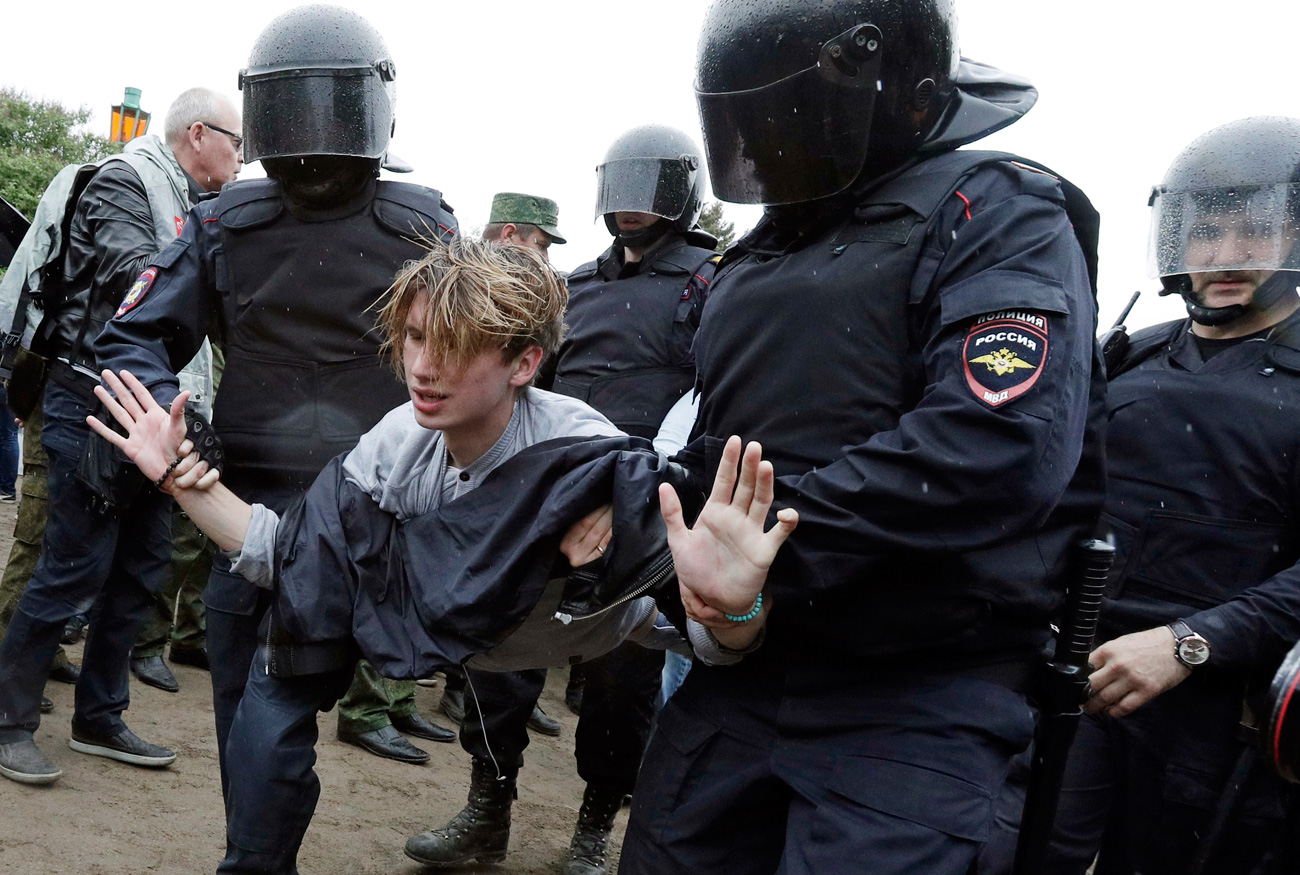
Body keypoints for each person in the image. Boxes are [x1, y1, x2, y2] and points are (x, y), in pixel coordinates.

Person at [90, 237, 796, 874]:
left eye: (456, 345)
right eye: (417, 338)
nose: (423, 368)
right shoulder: (399, 444)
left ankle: (594, 820)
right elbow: (290, 557)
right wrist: (179, 474)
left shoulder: (589, 455)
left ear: (525, 362)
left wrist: (742, 603)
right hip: (464, 630)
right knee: (276, 678)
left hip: (592, 626)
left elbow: (716, 637)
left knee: (647, 706)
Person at [616, 2, 1107, 873]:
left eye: (783, 114)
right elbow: (715, 451)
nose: (767, 143)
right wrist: (628, 520)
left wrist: (772, 547)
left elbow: (995, 443)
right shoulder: (756, 255)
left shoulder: (996, 209)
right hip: (745, 670)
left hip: (916, 693)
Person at [90, 0, 459, 833]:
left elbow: (473, 361)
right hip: (246, 514)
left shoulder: (423, 225)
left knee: (262, 721)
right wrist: (177, 426)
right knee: (253, 728)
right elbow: (134, 340)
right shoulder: (227, 223)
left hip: (372, 518)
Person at [982, 117, 1300, 875]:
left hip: (1222, 720)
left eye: (1254, 233)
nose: (1225, 256)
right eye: (1206, 233)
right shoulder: (1124, 356)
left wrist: (1193, 642)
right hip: (1072, 681)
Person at [0, 86, 243, 786]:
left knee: (141, 567)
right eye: (236, 140)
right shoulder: (123, 183)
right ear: (198, 134)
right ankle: (9, 718)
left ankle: (99, 714)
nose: (241, 156)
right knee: (71, 564)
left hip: (153, 411)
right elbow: (131, 274)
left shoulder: (196, 210)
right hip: (91, 399)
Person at [432, 191, 569, 742]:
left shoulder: (538, 290)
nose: (545, 254)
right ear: (510, 231)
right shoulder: (456, 281)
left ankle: (487, 682)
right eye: (539, 241)